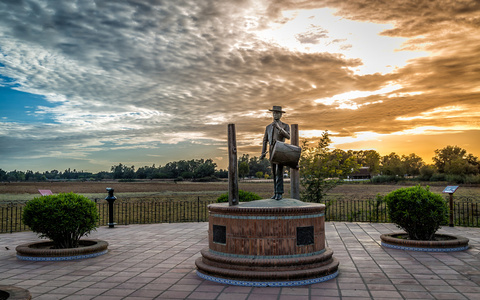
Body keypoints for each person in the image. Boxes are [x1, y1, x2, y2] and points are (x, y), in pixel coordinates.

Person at [260, 106, 290, 200]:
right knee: (274, 172)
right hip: (271, 150)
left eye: (277, 113)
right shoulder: (268, 127)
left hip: (280, 150)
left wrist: (279, 128)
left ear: (281, 114)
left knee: (279, 172)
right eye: (274, 113)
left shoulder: (285, 125)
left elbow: (288, 136)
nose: (275, 114)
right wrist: (263, 152)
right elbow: (265, 140)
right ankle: (275, 192)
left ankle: (280, 192)